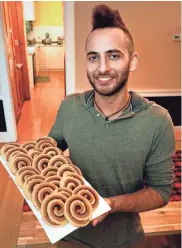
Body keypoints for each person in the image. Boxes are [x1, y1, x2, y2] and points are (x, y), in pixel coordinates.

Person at [49, 4, 175, 248]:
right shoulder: (69, 106)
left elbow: (161, 192)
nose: (103, 68)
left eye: (113, 55)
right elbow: (50, 148)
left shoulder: (158, 121)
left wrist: (111, 204)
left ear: (133, 61)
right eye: (93, 57)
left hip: (125, 240)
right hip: (67, 234)